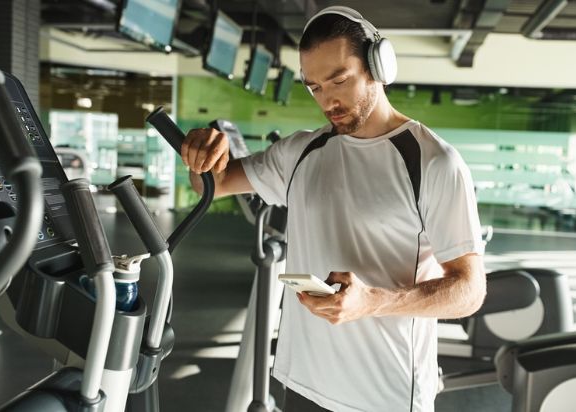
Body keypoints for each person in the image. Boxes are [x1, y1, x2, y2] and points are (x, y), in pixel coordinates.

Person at [181, 6, 486, 412]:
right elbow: (212, 183)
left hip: (384, 396)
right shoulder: (301, 151)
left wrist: (373, 301)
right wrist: (202, 152)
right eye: (314, 87)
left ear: (378, 66)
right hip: (303, 383)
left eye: (340, 80)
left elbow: (469, 291)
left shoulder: (432, 162)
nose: (328, 100)